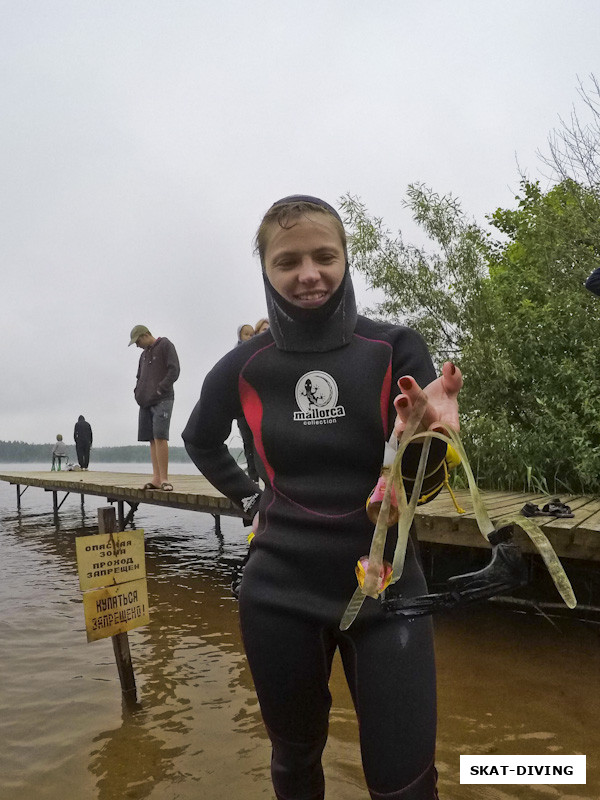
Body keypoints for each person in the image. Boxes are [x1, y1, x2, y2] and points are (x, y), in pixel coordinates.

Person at [182, 196, 461, 800]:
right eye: (288, 261)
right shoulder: (242, 366)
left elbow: (419, 488)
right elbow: (199, 439)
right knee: (294, 762)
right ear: (266, 270)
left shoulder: (395, 349)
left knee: (406, 784)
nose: (308, 273)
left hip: (386, 588)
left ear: (344, 259)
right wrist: (251, 501)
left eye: (323, 256)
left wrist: (430, 441)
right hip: (279, 592)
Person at [129, 324, 180, 491]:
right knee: (151, 439)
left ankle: (165, 479)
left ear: (145, 335)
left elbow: (174, 370)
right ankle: (156, 478)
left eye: (137, 341)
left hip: (163, 399)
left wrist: (160, 388)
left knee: (160, 436)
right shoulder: (143, 356)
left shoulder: (165, 345)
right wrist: (138, 393)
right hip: (145, 402)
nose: (137, 345)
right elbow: (139, 377)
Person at [236, 324, 259, 481]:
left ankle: (265, 477)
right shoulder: (235, 356)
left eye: (252, 334)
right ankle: (253, 476)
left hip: (258, 407)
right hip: (242, 408)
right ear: (239, 336)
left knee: (259, 442)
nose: (250, 337)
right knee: (247, 442)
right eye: (246, 334)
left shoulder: (259, 353)